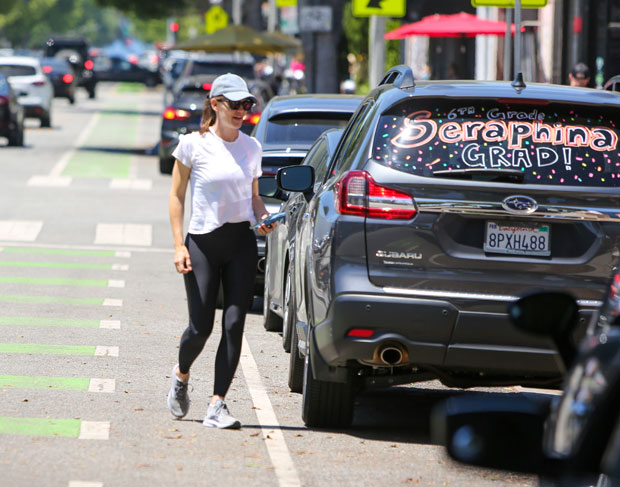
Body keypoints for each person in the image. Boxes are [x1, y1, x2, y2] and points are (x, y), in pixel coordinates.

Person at [166, 73, 275, 429]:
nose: (242, 110)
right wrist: (179, 244)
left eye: (247, 104)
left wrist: (263, 217)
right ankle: (181, 376)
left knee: (234, 325)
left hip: (241, 242)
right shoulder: (193, 144)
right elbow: (176, 196)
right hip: (202, 243)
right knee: (200, 328)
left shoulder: (252, 147)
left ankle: (217, 404)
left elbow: (255, 198)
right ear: (215, 104)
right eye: (234, 104)